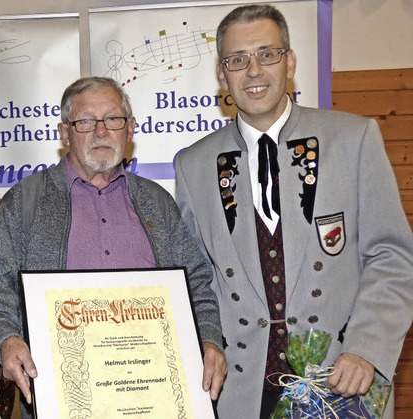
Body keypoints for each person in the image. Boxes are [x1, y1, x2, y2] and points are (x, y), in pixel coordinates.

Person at [174, 4, 413, 419]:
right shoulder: (193, 164)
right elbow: (196, 279)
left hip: (340, 384)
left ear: (290, 61)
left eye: (267, 54)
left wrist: (365, 349)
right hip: (241, 392)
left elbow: (393, 258)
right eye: (237, 59)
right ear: (221, 74)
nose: (253, 71)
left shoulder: (353, 139)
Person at [0, 76, 227, 418]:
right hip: (63, 401)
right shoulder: (24, 201)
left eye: (113, 119)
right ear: (65, 133)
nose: (102, 131)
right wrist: (6, 339)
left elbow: (197, 283)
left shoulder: (157, 202)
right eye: (86, 121)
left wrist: (208, 339)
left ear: (131, 128)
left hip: (155, 398)